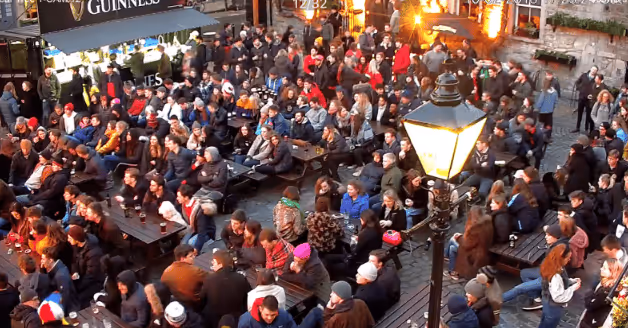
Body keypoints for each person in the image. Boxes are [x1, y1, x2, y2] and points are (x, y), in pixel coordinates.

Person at [200, 249, 251, 328]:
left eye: (214, 261)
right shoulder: (240, 278)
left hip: (215, 319)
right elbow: (248, 295)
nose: (212, 263)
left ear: (221, 264)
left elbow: (202, 299)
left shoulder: (209, 279)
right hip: (236, 318)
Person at [298, 281, 374, 328]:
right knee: (316, 311)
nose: (330, 294)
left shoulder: (339, 317)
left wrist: (328, 310)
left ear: (340, 297)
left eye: (334, 293)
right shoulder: (360, 302)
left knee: (316, 312)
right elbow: (371, 323)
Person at [539, 244, 580, 328]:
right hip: (553, 307)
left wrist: (572, 281)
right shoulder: (556, 276)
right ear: (561, 258)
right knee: (549, 325)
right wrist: (574, 288)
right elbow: (558, 297)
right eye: (568, 258)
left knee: (544, 322)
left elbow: (559, 283)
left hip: (546, 299)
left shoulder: (550, 265)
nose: (569, 260)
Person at [578, 258, 623, 328]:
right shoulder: (605, 284)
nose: (601, 269)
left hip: (592, 323)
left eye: (604, 268)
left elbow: (590, 305)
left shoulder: (609, 291)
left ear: (612, 272)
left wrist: (589, 293)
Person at [67, 226, 104, 308]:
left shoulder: (94, 254)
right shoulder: (76, 246)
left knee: (78, 299)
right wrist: (75, 272)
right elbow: (73, 261)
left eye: (70, 238)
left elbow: (91, 276)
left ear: (77, 239)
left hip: (94, 282)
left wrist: (77, 287)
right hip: (81, 277)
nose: (68, 239)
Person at [161, 244, 207, 311]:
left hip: (176, 301)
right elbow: (211, 278)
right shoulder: (196, 271)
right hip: (194, 303)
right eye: (191, 256)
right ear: (182, 258)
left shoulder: (167, 271)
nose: (194, 257)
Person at [176, 184, 217, 253]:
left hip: (207, 232)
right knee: (182, 246)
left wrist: (197, 248)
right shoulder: (183, 204)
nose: (177, 198)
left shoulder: (200, 211)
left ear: (186, 198)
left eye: (179, 197)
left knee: (191, 245)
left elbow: (202, 232)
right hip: (194, 229)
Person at [40, 247, 79, 313]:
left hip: (70, 309)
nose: (41, 261)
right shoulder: (54, 268)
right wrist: (42, 269)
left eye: (43, 259)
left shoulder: (61, 276)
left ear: (51, 260)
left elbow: (65, 297)